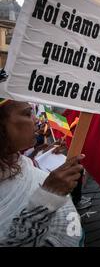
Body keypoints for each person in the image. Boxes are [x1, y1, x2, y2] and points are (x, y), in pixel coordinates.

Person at [0, 99, 84, 246]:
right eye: (27, 113)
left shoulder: (19, 161)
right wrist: (48, 196)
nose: (36, 120)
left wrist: (42, 153)